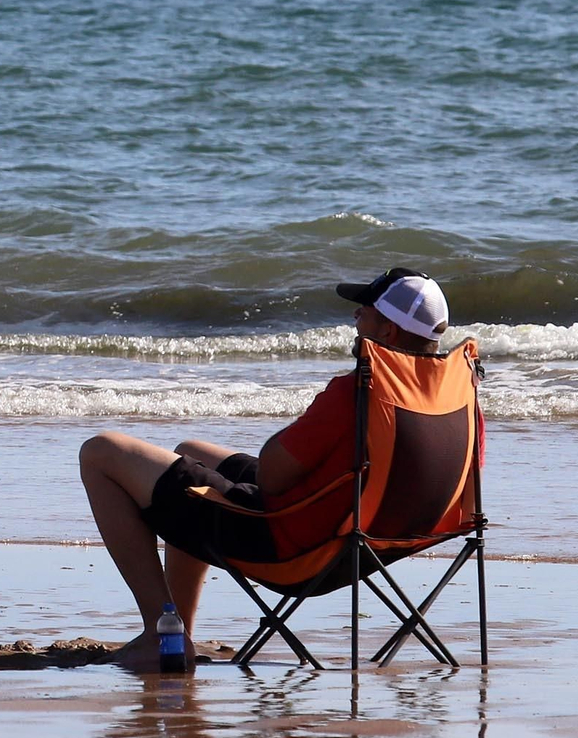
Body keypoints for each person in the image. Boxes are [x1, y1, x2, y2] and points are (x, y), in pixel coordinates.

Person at [78, 267, 454, 672]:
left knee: (101, 452)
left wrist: (294, 433)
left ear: (389, 333)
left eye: (364, 311)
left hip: (293, 548)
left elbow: (274, 475)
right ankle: (179, 628)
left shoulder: (358, 393)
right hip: (373, 544)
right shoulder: (454, 398)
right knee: (190, 451)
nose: (355, 318)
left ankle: (161, 634)